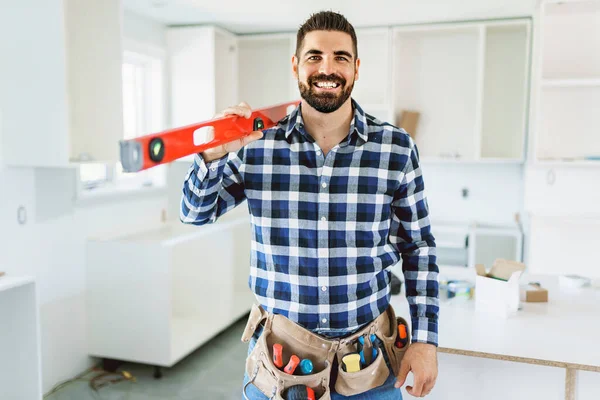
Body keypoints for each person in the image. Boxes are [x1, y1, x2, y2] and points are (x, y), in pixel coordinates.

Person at [180, 10, 439, 399]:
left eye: (341, 57)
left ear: (356, 68)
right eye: (315, 56)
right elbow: (195, 212)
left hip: (369, 366)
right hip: (279, 366)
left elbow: (418, 247)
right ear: (296, 65)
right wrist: (213, 155)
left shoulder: (395, 148)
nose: (327, 68)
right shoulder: (257, 146)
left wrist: (425, 340)